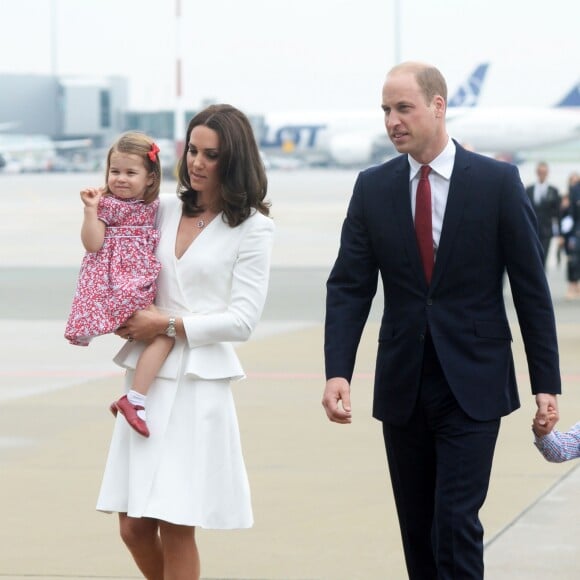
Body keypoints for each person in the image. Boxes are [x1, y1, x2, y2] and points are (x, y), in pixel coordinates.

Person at [322, 62, 561, 579]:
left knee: (455, 523)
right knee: (418, 531)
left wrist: (547, 383)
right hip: (403, 383)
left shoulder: (497, 182)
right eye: (385, 110)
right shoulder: (372, 188)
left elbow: (531, 290)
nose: (392, 121)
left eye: (403, 108)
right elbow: (349, 285)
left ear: (438, 105)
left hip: (473, 382)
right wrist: (337, 369)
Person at [96, 104, 274, 580]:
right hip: (146, 384)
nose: (196, 162)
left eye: (210, 155)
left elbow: (243, 320)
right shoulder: (164, 209)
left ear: (233, 161)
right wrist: (116, 310)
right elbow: (120, 259)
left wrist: (167, 326)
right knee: (133, 527)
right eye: (192, 150)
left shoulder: (254, 228)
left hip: (197, 385)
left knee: (176, 525)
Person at [65, 132, 172, 438]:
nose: (121, 179)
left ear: (150, 178)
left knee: (161, 335)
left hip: (136, 281)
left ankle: (134, 399)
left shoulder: (153, 206)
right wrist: (90, 210)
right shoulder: (106, 205)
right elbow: (92, 243)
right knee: (165, 334)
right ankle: (134, 401)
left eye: (130, 172)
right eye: (115, 171)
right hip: (118, 284)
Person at [525, 161, 561, 267]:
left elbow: (557, 213)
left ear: (547, 173)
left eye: (544, 172)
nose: (542, 174)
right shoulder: (529, 190)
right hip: (531, 229)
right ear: (537, 172)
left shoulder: (553, 191)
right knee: (531, 257)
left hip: (546, 230)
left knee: (543, 257)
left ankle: (541, 281)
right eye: (540, 172)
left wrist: (559, 234)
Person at [559, 172, 580, 299]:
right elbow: (563, 218)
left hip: (576, 231)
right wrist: (561, 235)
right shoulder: (566, 199)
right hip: (570, 234)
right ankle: (572, 285)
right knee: (572, 259)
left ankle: (576, 285)